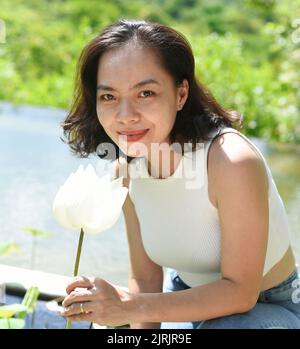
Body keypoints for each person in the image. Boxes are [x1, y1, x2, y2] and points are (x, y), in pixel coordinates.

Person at [60, 19, 300, 329]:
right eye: (109, 97)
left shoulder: (230, 161)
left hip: (271, 306)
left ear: (181, 94)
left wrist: (128, 307)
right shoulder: (126, 171)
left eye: (145, 93)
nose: (125, 116)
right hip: (186, 299)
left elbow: (242, 292)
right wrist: (126, 315)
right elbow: (145, 279)